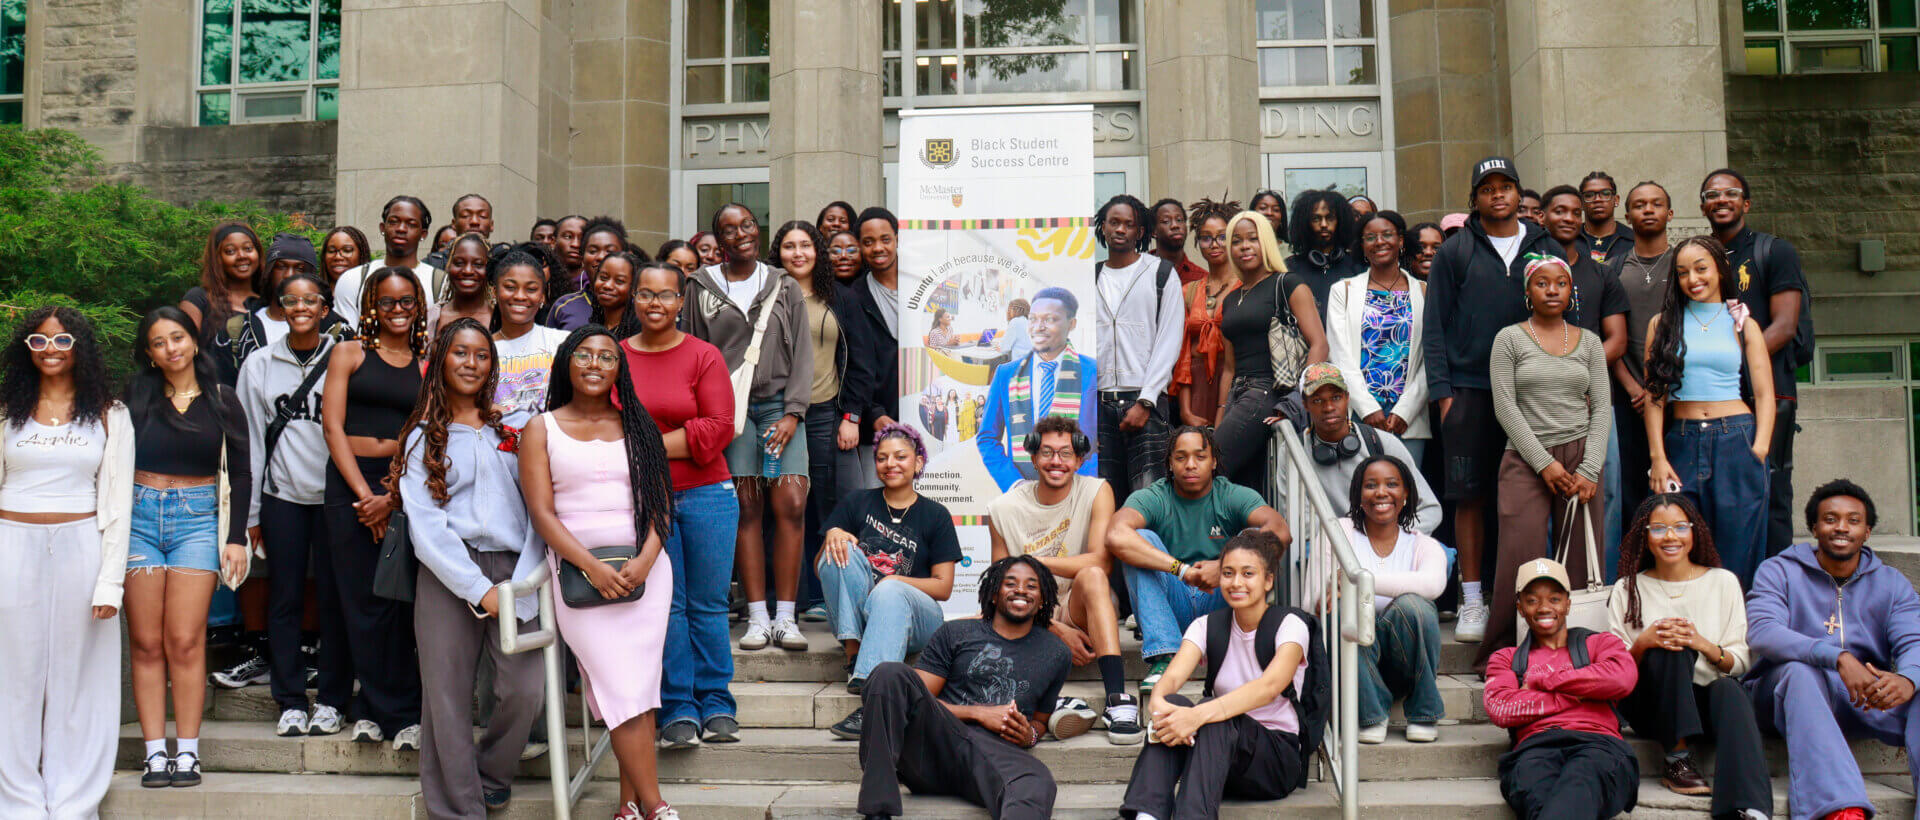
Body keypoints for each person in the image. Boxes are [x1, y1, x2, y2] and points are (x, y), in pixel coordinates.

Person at [521, 326, 682, 820]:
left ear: (619, 368)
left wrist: (647, 559)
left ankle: (629, 805)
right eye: (584, 355)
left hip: (644, 576)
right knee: (618, 685)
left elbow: (661, 506)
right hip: (577, 577)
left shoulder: (638, 425)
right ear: (567, 362)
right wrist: (591, 567)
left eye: (607, 357)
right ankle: (658, 807)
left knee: (638, 689)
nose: (594, 364)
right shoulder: (540, 428)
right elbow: (542, 515)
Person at [392, 319, 545, 819]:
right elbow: (427, 527)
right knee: (446, 700)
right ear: (442, 360)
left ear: (491, 365)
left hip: (515, 569)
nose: (471, 363)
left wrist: (520, 583)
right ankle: (459, 810)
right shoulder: (421, 438)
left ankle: (492, 776)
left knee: (524, 691)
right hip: (447, 574)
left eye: (481, 355)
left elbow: (538, 512)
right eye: (460, 353)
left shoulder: (514, 431)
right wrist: (478, 590)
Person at [1422, 156, 1562, 643]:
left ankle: (1523, 598)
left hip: (1532, 392)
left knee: (1522, 497)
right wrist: (1443, 395)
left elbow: (1566, 312)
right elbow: (1434, 326)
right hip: (1469, 391)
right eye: (1488, 188)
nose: (1498, 195)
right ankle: (1475, 599)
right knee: (1469, 496)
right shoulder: (1456, 250)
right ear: (1475, 198)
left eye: (1506, 187)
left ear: (1519, 194)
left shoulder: (1544, 246)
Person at [0, 308, 131, 817]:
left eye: (62, 339)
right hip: (12, 542)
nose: (50, 348)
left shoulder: (108, 412)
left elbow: (118, 504)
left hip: (82, 545)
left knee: (79, 680)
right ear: (26, 349)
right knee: (15, 677)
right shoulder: (8, 408)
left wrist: (110, 584)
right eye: (38, 339)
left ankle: (73, 801)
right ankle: (18, 803)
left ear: (81, 347)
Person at [126, 306, 252, 788]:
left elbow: (240, 472)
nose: (170, 348)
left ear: (194, 342)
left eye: (177, 337)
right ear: (150, 354)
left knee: (183, 638)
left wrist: (236, 537)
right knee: (144, 640)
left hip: (198, 521)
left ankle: (188, 753)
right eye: (158, 342)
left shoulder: (222, 399)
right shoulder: (136, 397)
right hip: (139, 517)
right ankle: (155, 752)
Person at [1746, 480, 1920, 820]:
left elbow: (1914, 641)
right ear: (1814, 527)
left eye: (1853, 520)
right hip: (1785, 696)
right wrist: (1837, 657)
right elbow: (1764, 632)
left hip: (1864, 698)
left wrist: (1908, 680)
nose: (1841, 527)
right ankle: (1841, 809)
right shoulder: (1778, 570)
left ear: (1867, 531)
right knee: (1800, 671)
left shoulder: (1891, 583)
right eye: (1830, 519)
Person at [621, 261, 742, 749]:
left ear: (680, 302)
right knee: (666, 606)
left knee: (709, 604)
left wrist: (645, 441)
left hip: (709, 495)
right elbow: (610, 428)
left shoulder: (704, 355)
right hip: (647, 498)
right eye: (646, 294)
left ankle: (717, 703)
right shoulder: (618, 356)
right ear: (634, 301)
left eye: (665, 295)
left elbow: (718, 429)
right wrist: (673, 440)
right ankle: (678, 709)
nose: (655, 303)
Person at [686, 204, 815, 654]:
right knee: (745, 506)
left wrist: (794, 412)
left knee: (791, 503)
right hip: (730, 411)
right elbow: (693, 351)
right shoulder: (699, 287)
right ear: (717, 240)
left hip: (781, 405)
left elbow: (803, 354)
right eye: (730, 229)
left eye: (747, 225)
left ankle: (787, 616)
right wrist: (709, 414)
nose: (742, 233)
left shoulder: (784, 284)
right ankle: (758, 616)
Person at [853, 555, 1070, 820]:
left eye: (1031, 585)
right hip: (933, 748)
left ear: (1044, 598)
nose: (1021, 590)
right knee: (889, 673)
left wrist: (1029, 736)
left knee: (1036, 781)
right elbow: (912, 700)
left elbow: (1040, 722)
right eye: (1010, 583)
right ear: (993, 594)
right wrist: (977, 713)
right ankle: (877, 812)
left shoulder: (1056, 652)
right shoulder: (956, 633)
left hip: (993, 757)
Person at [1119, 529, 1315, 818]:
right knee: (1179, 706)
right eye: (1228, 573)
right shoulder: (1205, 625)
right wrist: (1161, 705)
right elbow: (1170, 680)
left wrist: (1197, 716)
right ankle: (1146, 815)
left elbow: (1270, 686)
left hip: (1273, 759)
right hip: (1217, 760)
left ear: (1268, 580)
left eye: (1248, 574)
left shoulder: (1290, 624)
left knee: (1212, 713)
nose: (1236, 583)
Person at [1480, 254, 1609, 668]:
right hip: (1524, 458)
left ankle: (1575, 653)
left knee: (1577, 562)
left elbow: (1602, 408)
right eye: (1542, 283)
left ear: (1571, 291)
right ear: (1528, 291)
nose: (1552, 290)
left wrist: (1588, 470)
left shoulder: (1588, 341)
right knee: (1520, 558)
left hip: (1581, 456)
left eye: (1561, 284)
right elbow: (1504, 406)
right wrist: (1543, 463)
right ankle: (1504, 654)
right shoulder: (1509, 339)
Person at [237, 273, 351, 738]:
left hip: (334, 498)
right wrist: (251, 515)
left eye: (311, 300)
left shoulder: (344, 358)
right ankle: (288, 700)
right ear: (280, 310)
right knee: (283, 599)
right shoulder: (260, 364)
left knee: (333, 600)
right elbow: (248, 442)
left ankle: (331, 699)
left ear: (325, 309)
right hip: (282, 496)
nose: (301, 307)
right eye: (291, 301)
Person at [1607, 494, 1770, 815]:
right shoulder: (1627, 589)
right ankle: (1677, 759)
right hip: (1651, 706)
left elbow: (1739, 662)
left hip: (1707, 705)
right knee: (1668, 645)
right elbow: (1613, 675)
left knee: (1728, 688)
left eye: (1680, 527)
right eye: (1658, 529)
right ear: (1644, 535)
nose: (1670, 537)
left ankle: (1748, 809)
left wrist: (1701, 642)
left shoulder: (1722, 582)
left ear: (1694, 533)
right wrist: (1644, 643)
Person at [320, 266, 426, 750]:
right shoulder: (348, 353)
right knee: (359, 601)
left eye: (407, 302)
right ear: (371, 307)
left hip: (401, 485)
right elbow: (332, 428)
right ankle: (369, 709)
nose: (398, 310)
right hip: (349, 484)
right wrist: (364, 494)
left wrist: (392, 495)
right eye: (388, 302)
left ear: (419, 306)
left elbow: (428, 434)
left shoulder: (427, 363)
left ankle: (398, 712)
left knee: (396, 600)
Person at [986, 415, 1140, 743]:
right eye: (1047, 452)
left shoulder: (1097, 490)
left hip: (1076, 604)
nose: (1056, 462)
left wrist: (1031, 562)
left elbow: (1101, 560)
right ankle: (1053, 706)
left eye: (1065, 453)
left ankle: (1116, 699)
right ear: (1033, 457)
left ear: (1080, 459)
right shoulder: (1003, 508)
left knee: (1094, 575)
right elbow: (997, 587)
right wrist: (1055, 628)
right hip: (1026, 615)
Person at [1109, 427, 1292, 695]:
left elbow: (1280, 530)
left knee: (1250, 538)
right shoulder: (1156, 496)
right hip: (1172, 606)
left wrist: (1224, 567)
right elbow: (1115, 534)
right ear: (1170, 463)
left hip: (1219, 603)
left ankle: (1245, 648)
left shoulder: (1230, 494)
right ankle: (1164, 658)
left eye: (1200, 456)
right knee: (1139, 538)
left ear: (1214, 461)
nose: (1191, 465)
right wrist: (1181, 571)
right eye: (1181, 457)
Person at [1643, 235, 1775, 588]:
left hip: (1737, 439)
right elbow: (1655, 396)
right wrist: (1657, 456)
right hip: (1681, 442)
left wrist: (1758, 450)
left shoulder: (1742, 323)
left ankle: (1732, 638)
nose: (1693, 279)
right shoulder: (1662, 324)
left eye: (1701, 269)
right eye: (1683, 272)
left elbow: (1764, 394)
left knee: (1737, 548)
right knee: (1679, 543)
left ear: (1720, 269)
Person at [1700, 169, 1811, 559]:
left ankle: (1774, 588)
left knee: (1769, 490)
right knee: (1719, 494)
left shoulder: (1774, 251)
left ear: (1746, 203)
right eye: (1712, 194)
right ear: (1703, 207)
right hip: (1712, 397)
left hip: (1768, 393)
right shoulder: (1701, 258)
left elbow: (1784, 325)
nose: (1721, 199)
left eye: (1731, 193)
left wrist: (1731, 359)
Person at [819, 425, 960, 727]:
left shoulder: (936, 515)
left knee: (889, 591)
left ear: (918, 462)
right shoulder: (857, 502)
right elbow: (825, 567)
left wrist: (894, 582)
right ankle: (854, 652)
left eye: (900, 457)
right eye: (882, 458)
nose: (890, 464)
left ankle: (874, 692)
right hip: (856, 617)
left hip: (917, 620)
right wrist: (834, 534)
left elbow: (943, 587)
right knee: (837, 549)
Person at [1484, 558, 1640, 820]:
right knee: (1540, 795)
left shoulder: (1600, 643)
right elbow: (1501, 708)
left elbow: (1623, 678)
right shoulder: (1506, 658)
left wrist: (1544, 682)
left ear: (1568, 603)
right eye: (1532, 600)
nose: (1544, 608)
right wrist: (1582, 693)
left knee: (1582, 779)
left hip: (1600, 745)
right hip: (1534, 750)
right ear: (1520, 607)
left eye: (1554, 599)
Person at [777, 220, 877, 625]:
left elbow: (863, 362)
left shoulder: (840, 296)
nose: (798, 253)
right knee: (783, 506)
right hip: (776, 415)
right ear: (777, 253)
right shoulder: (771, 294)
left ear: (817, 251)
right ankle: (785, 598)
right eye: (788, 246)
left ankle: (820, 595)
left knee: (823, 507)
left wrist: (851, 416)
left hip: (823, 415)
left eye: (806, 245)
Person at [1215, 210, 1328, 490]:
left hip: (1270, 390)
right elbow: (1229, 367)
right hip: (1237, 395)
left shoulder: (1288, 283)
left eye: (1252, 239)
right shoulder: (1230, 299)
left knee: (1211, 462)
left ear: (1266, 241)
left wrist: (1296, 402)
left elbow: (1319, 345)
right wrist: (1219, 416)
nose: (1244, 246)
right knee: (1244, 483)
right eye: (1237, 241)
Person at [1344, 455, 1447, 743]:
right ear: (1358, 494)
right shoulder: (1340, 533)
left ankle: (1424, 712)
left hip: (1406, 662)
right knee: (1342, 610)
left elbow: (1432, 584)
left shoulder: (1424, 545)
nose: (1381, 492)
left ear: (1405, 496)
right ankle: (1372, 714)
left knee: (1415, 606)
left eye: (1392, 484)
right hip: (1358, 663)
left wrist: (1360, 582)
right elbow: (1316, 597)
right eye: (1370, 485)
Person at [1603, 181, 1674, 580]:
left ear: (1670, 213)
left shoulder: (1684, 262)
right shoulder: (1613, 269)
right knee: (1630, 489)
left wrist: (1662, 390)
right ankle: (1631, 577)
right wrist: (1634, 388)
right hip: (1625, 397)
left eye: (1657, 204)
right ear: (1626, 215)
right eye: (1639, 205)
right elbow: (1608, 336)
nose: (1648, 210)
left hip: (1676, 398)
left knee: (1671, 488)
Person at [1095, 194, 1185, 507]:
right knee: (1104, 502)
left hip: (1146, 404)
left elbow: (1169, 340)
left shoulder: (1161, 272)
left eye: (1129, 224)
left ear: (1141, 231)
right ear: (1102, 227)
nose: (1120, 229)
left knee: (1149, 502)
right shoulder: (1091, 276)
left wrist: (1146, 400)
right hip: (1099, 406)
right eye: (1114, 222)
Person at [1285, 363, 1440, 534]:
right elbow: (1301, 522)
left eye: (1336, 398)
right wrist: (1358, 542)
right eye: (1318, 400)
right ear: (1305, 404)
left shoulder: (1381, 442)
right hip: (1327, 548)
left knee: (1444, 556)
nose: (1328, 407)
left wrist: (1394, 539)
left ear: (1347, 398)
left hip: (1387, 541)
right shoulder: (1293, 450)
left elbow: (1429, 509)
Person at [1327, 211, 1431, 464]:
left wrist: (1405, 410)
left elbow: (1432, 358)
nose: (1379, 241)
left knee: (1408, 494)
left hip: (1408, 418)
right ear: (1362, 246)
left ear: (1401, 241)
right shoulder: (1343, 291)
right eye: (1370, 237)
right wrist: (1368, 409)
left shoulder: (1425, 291)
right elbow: (1339, 355)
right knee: (1362, 493)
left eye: (1387, 235)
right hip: (1360, 413)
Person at [977, 287, 1100, 491]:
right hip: (1024, 494)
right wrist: (1014, 483)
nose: (1039, 327)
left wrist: (1081, 481)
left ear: (1071, 324)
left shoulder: (1093, 372)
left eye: (1050, 319)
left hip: (1079, 492)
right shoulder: (1006, 374)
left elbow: (1107, 441)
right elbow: (987, 437)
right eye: (1033, 319)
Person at [227, 233, 353, 377]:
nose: (289, 275)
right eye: (281, 267)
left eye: (299, 268)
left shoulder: (338, 331)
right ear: (269, 271)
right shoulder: (238, 330)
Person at [1170, 197, 1240, 430]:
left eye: (1222, 236)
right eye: (1206, 238)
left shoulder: (1246, 287)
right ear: (1198, 243)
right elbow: (1183, 357)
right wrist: (1185, 410)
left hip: (1235, 385)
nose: (1214, 244)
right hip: (1198, 387)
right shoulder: (1188, 291)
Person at [849, 207, 903, 485]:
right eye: (868, 242)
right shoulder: (854, 298)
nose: (878, 248)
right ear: (859, 246)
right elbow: (853, 367)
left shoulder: (926, 287)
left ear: (897, 239)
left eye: (885, 239)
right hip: (879, 428)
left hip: (930, 423)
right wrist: (874, 414)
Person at [489, 250, 569, 428]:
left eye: (531, 289)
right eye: (510, 287)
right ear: (494, 292)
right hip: (498, 448)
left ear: (542, 295)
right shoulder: (482, 350)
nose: (520, 296)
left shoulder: (562, 343)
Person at [179, 222, 264, 387]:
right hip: (212, 399)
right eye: (230, 251)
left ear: (258, 253)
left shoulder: (267, 304)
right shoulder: (199, 299)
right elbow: (182, 353)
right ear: (217, 259)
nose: (241, 256)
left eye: (248, 249)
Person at [333, 195, 445, 319]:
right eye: (393, 222)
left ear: (423, 234)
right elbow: (347, 333)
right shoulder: (352, 279)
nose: (401, 229)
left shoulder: (440, 283)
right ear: (383, 228)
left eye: (411, 224)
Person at [1285, 189, 1366, 319]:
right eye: (1316, 218)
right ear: (1305, 223)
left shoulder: (1358, 266)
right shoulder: (1290, 268)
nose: (1323, 224)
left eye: (1330, 218)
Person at [547, 217, 632, 331]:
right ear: (582, 258)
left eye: (610, 251)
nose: (601, 257)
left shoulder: (638, 308)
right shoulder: (564, 306)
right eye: (593, 251)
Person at [433, 232, 494, 334]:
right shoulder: (432, 317)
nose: (468, 271)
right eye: (459, 263)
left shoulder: (501, 317)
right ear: (449, 267)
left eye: (478, 264)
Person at [1578, 172, 1632, 266]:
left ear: (1616, 200)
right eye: (1589, 195)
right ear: (1581, 203)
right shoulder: (1570, 239)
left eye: (1605, 193)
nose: (1598, 199)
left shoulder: (1632, 239)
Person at [1150, 197, 1206, 284]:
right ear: (1153, 231)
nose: (1175, 225)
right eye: (1166, 221)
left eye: (1179, 220)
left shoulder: (1201, 278)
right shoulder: (1139, 271)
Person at [553, 214, 590, 292]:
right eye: (568, 236)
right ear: (553, 241)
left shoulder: (594, 283)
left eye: (582, 238)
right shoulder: (542, 277)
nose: (575, 244)